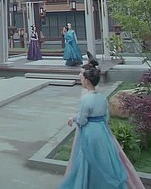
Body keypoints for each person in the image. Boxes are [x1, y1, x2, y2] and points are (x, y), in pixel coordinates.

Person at [59, 60, 144, 189]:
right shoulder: (102, 98)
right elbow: (106, 116)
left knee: (88, 157)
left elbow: (83, 120)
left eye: (83, 78)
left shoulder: (85, 99)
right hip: (102, 129)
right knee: (104, 157)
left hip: (90, 131)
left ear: (87, 81)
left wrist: (74, 119)